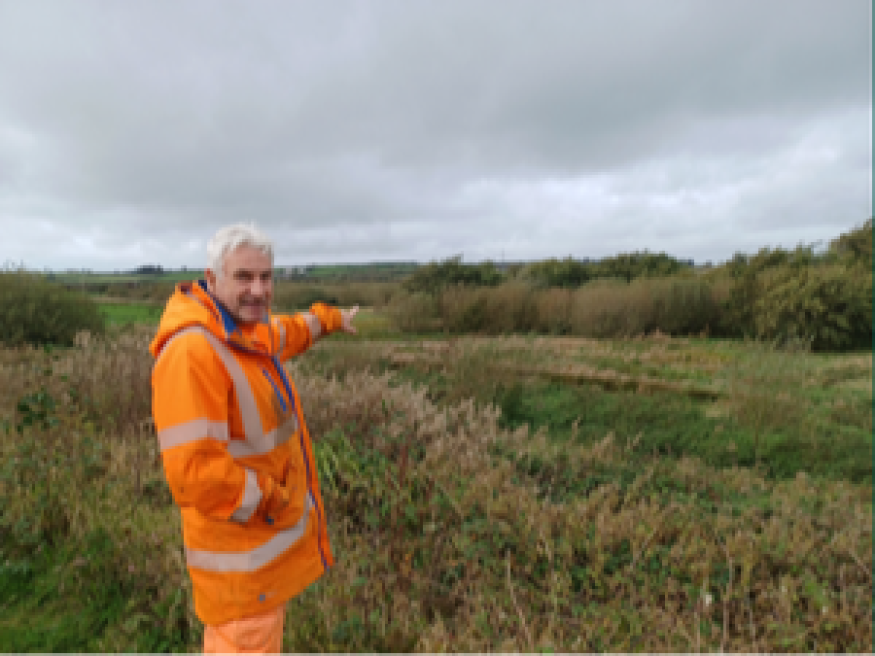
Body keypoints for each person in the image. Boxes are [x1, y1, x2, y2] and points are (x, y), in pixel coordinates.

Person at [149, 223, 358, 655]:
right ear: (212, 279)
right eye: (243, 277)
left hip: (258, 570)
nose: (258, 290)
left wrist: (332, 320)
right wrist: (273, 500)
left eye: (266, 277)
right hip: (241, 575)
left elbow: (290, 332)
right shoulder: (194, 352)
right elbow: (195, 474)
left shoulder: (244, 333)